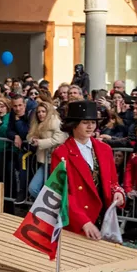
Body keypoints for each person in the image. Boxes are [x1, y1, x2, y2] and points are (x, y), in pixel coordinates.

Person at [50, 100, 126, 240]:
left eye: (93, 122)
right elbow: (61, 194)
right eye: (85, 122)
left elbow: (113, 182)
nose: (91, 126)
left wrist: (118, 192)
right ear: (73, 125)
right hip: (77, 221)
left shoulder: (105, 149)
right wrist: (83, 221)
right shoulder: (61, 154)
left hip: (103, 219)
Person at [26, 102, 67, 199]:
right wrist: (32, 140)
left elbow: (59, 139)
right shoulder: (37, 123)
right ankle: (46, 209)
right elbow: (29, 135)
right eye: (39, 112)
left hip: (56, 162)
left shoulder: (55, 122)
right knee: (33, 188)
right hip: (44, 162)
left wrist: (40, 143)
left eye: (43, 111)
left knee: (54, 192)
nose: (40, 114)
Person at [7, 95, 32, 203]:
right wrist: (15, 136)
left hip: (32, 149)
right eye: (15, 106)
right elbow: (8, 131)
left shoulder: (31, 114)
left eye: (20, 105)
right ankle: (21, 193)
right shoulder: (13, 114)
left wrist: (18, 121)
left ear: (24, 105)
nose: (18, 108)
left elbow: (26, 133)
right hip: (22, 149)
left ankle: (25, 194)